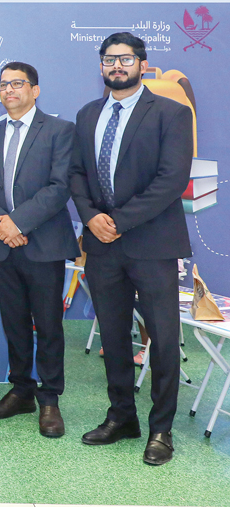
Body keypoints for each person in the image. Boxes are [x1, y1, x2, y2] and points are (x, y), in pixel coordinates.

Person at [69, 32, 193, 466]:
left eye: (125, 59)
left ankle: (161, 429)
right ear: (101, 66)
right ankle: (122, 416)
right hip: (102, 247)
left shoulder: (172, 114)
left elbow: (172, 180)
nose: (116, 66)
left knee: (162, 340)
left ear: (142, 63)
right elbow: (77, 174)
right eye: (109, 60)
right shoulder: (87, 115)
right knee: (114, 336)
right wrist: (90, 217)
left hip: (153, 244)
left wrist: (118, 221)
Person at [0, 62, 80, 438]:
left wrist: (17, 222)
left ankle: (50, 399)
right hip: (4, 244)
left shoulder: (60, 130)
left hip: (43, 243)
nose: (9, 91)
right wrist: (2, 225)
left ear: (35, 90)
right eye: (3, 85)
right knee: (14, 321)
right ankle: (21, 391)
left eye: (17, 84)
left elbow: (59, 185)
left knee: (47, 325)